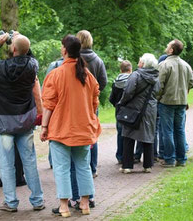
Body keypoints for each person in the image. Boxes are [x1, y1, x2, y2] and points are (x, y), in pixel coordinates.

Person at [0, 32, 44, 212]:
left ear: (12, 49)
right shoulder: (32, 67)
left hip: (3, 122)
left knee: (6, 163)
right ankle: (37, 201)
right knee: (29, 161)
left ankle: (11, 202)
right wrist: (21, 40)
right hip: (26, 121)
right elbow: (30, 55)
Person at [40, 35, 101, 217]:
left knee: (62, 168)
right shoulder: (87, 75)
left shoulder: (56, 74)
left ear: (64, 50)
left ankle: (64, 206)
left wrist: (44, 127)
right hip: (83, 129)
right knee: (84, 167)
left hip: (61, 129)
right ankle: (84, 204)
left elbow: (48, 105)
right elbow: (94, 102)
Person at [118, 53, 160, 174]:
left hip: (134, 108)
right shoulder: (156, 77)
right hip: (150, 110)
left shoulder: (136, 75)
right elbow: (157, 91)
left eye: (140, 61)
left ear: (144, 64)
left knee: (129, 135)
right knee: (148, 136)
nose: (138, 63)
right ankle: (148, 166)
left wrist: (122, 103)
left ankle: (127, 166)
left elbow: (128, 92)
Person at [157, 39, 193, 167]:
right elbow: (191, 82)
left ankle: (169, 159)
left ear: (171, 49)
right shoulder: (186, 65)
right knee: (180, 130)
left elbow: (159, 85)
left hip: (167, 101)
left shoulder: (164, 65)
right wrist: (185, 93)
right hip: (181, 102)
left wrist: (158, 97)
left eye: (168, 45)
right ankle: (181, 159)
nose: (166, 47)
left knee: (167, 130)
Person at [77, 30, 107, 178]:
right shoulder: (98, 60)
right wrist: (95, 92)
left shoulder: (74, 59)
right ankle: (92, 168)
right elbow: (103, 82)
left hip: (76, 103)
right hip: (92, 103)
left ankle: (79, 166)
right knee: (92, 134)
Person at [109, 60, 133, 164]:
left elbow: (111, 98)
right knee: (130, 133)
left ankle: (120, 155)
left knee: (120, 132)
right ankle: (129, 156)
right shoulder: (133, 81)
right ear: (130, 70)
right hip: (131, 110)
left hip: (119, 111)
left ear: (120, 70)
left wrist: (117, 105)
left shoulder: (115, 82)